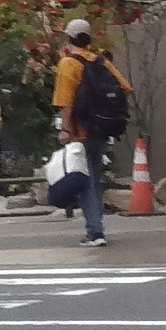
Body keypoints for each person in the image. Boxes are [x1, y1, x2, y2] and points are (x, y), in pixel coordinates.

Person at [51, 18, 131, 248]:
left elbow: (66, 103)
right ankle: (96, 228)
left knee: (85, 182)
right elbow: (125, 88)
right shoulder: (100, 61)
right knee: (94, 179)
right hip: (102, 129)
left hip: (80, 131)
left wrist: (66, 130)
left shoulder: (68, 63)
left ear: (69, 38)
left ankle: (95, 232)